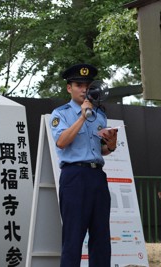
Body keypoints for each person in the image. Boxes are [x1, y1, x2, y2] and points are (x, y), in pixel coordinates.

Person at [49, 63, 118, 267]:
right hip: (74, 177)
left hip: (97, 177)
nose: (84, 89)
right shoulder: (60, 114)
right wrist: (82, 115)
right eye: (78, 84)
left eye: (87, 85)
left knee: (101, 237)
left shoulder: (100, 116)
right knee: (73, 237)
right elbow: (61, 141)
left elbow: (100, 149)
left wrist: (111, 146)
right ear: (69, 88)